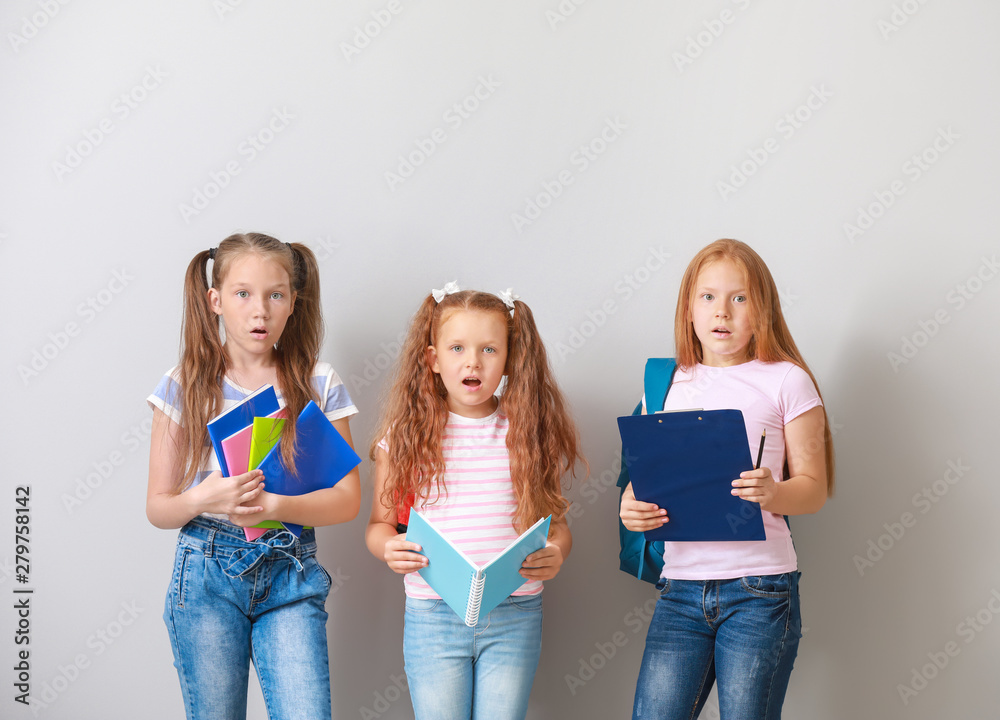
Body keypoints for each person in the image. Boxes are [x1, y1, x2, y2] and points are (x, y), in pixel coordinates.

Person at [146, 232, 361, 720]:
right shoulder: (184, 385)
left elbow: (348, 499)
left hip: (290, 567)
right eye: (243, 293)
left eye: (275, 295)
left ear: (294, 302)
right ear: (215, 301)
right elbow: (158, 507)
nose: (260, 311)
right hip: (206, 573)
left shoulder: (318, 381)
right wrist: (203, 498)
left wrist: (276, 506)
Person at [620, 239, 834, 720]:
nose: (723, 311)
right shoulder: (663, 385)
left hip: (760, 590)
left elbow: (814, 489)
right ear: (688, 308)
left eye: (740, 298)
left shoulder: (787, 380)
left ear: (763, 309)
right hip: (680, 590)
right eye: (708, 297)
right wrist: (631, 507)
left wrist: (774, 492)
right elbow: (646, 479)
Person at [365, 285, 583, 720]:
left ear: (510, 359)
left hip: (515, 613)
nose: (473, 362)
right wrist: (389, 547)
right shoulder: (405, 438)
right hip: (433, 615)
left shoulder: (527, 433)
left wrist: (557, 551)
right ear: (433, 359)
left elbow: (555, 526)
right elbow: (378, 527)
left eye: (489, 349)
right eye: (457, 348)